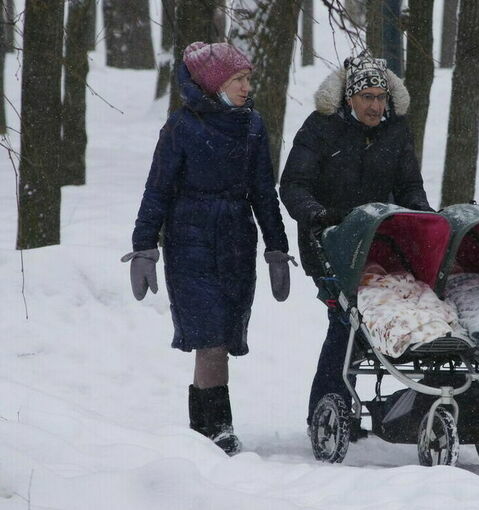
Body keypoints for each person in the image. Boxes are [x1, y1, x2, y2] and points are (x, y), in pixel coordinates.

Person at [121, 42, 295, 455]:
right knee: (210, 336)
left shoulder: (251, 126)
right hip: (190, 242)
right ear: (216, 82)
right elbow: (157, 190)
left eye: (248, 79)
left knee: (225, 336)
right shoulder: (181, 127)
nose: (247, 87)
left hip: (236, 242)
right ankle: (219, 429)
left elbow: (263, 193)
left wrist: (276, 247)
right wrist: (145, 245)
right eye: (239, 79)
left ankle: (203, 430)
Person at [279, 52, 433, 433]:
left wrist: (424, 216)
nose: (376, 106)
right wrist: (316, 214)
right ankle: (327, 408)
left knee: (385, 319)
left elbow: (409, 185)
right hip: (330, 242)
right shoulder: (320, 128)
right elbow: (294, 183)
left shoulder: (395, 131)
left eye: (381, 98)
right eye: (368, 97)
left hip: (383, 245)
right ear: (349, 98)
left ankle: (411, 403)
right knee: (345, 323)